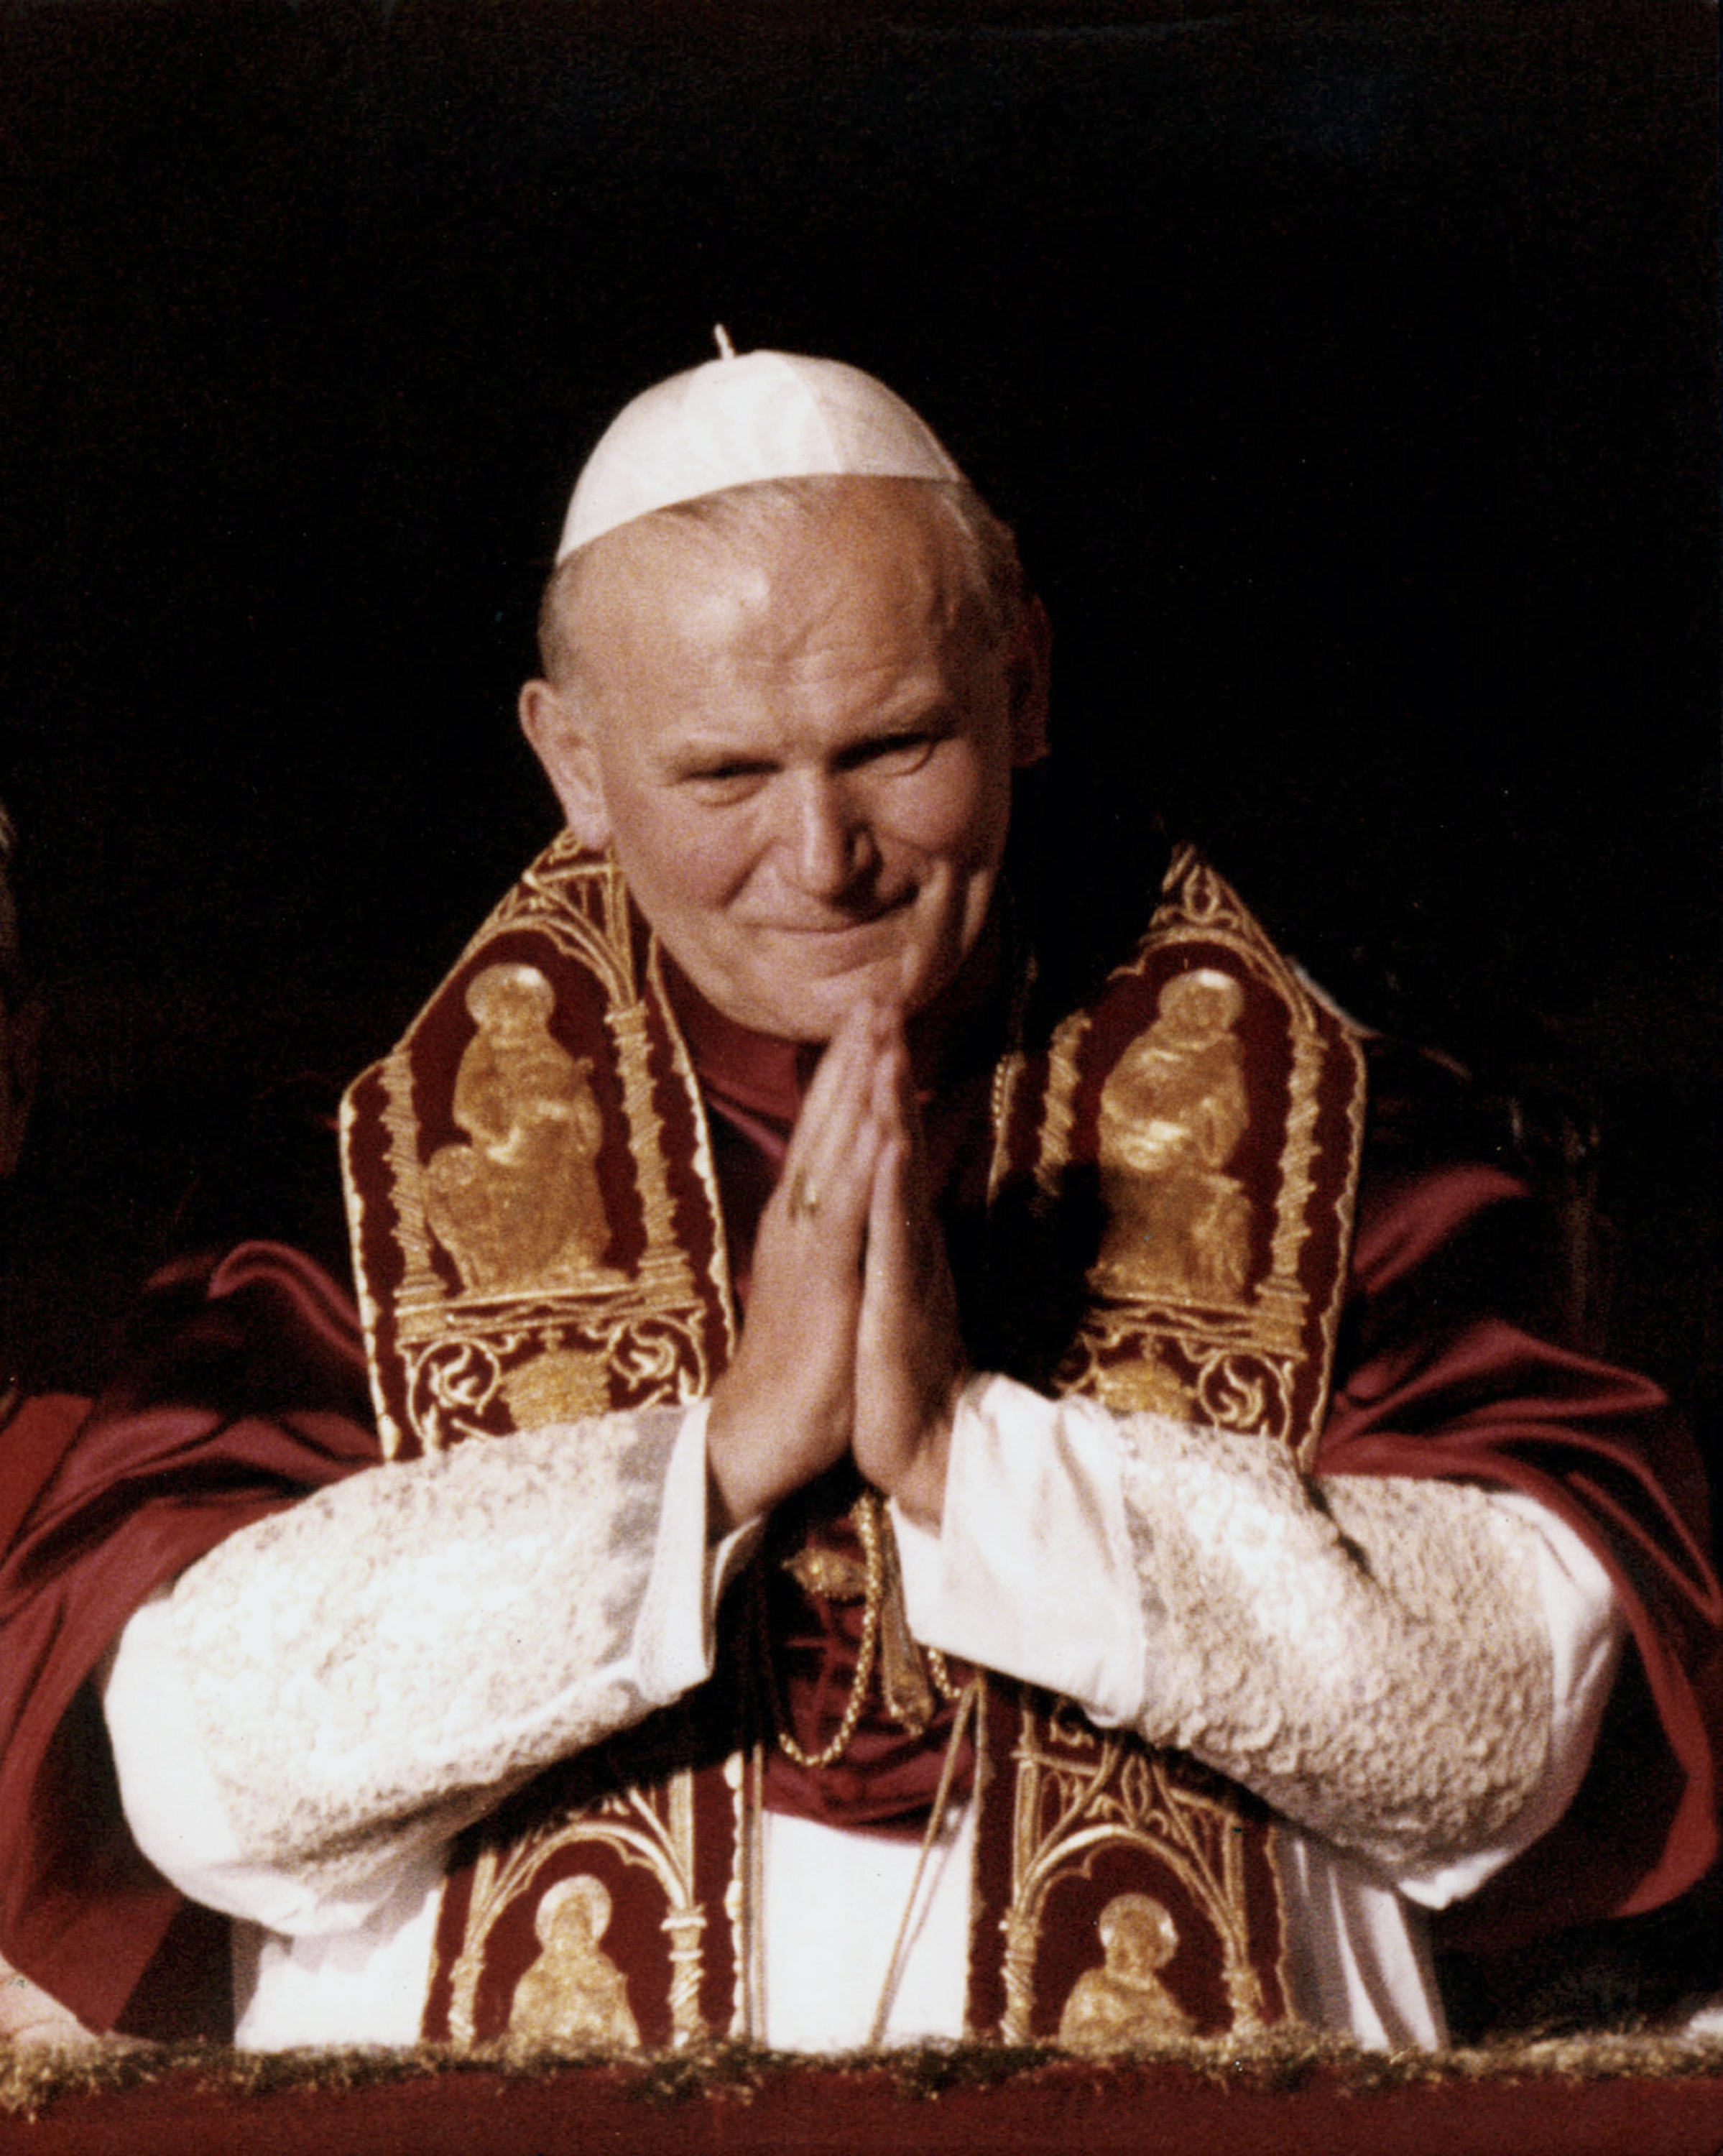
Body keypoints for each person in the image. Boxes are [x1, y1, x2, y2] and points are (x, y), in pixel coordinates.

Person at [3, 349, 1717, 2055]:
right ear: (576, 765)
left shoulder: (1352, 1154)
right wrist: (719, 1460)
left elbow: (1521, 1718)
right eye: (723, 778)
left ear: (1025, 684)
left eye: (891, 748)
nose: (823, 857)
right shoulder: (346, 1205)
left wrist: (973, 1461)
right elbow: (185, 1766)